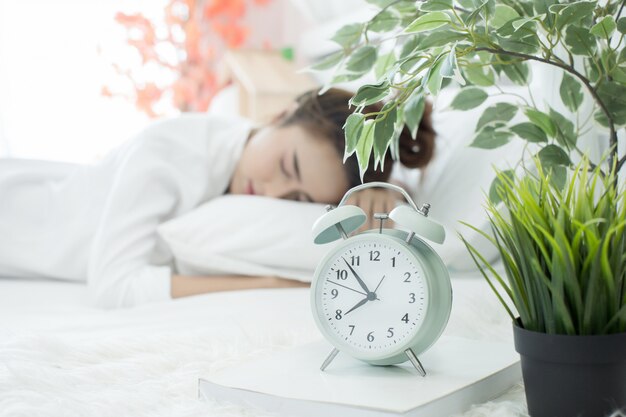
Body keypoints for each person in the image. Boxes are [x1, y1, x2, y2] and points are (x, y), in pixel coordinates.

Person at [0, 88, 435, 308]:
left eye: (298, 198)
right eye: (287, 167)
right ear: (279, 114)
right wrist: (266, 284)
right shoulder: (171, 155)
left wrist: (375, 192)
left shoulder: (233, 166)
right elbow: (114, 288)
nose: (273, 193)